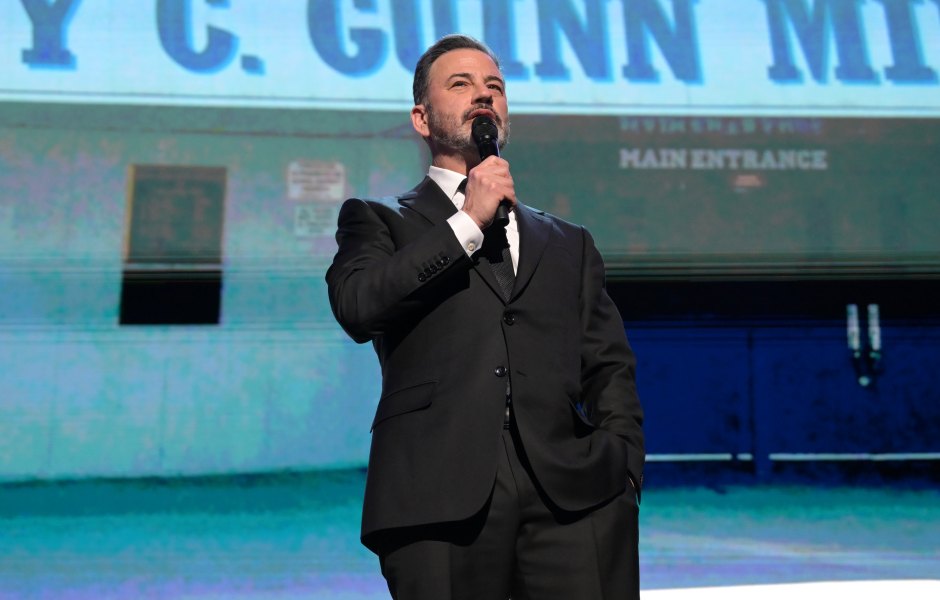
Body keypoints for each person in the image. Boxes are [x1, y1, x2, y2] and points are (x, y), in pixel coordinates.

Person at [326, 34, 644, 600]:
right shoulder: (378, 222)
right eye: (461, 84)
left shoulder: (568, 242)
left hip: (574, 497)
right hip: (438, 496)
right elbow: (358, 307)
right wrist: (467, 222)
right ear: (422, 119)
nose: (483, 95)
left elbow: (608, 365)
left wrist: (622, 470)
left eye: (494, 87)